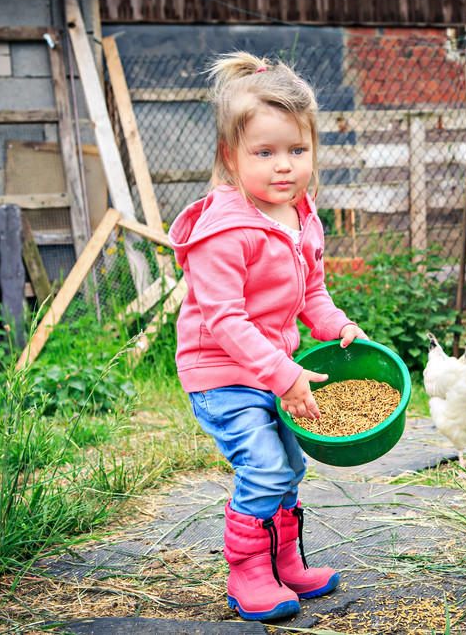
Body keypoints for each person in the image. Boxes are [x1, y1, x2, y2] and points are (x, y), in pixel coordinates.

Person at [168, 51, 368, 621]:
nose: (284, 167)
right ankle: (248, 572)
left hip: (273, 371)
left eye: (297, 150)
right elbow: (225, 321)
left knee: (291, 467)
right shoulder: (224, 230)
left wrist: (337, 326)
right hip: (221, 372)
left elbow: (312, 294)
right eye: (265, 153)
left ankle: (284, 562)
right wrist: (284, 374)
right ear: (230, 156)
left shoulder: (300, 215)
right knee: (264, 466)